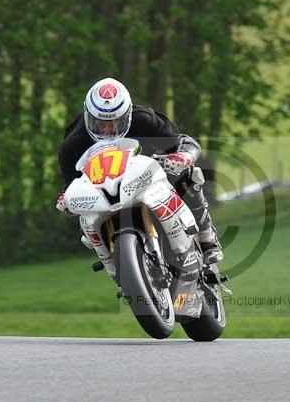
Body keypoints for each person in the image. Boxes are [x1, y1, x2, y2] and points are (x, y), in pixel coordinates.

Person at [56, 77, 223, 265]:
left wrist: (181, 156)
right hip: (104, 192)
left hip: (149, 175)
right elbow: (70, 182)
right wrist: (66, 197)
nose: (108, 130)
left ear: (127, 115)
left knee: (188, 174)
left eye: (115, 123)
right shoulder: (72, 143)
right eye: (100, 123)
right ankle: (112, 263)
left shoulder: (144, 119)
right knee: (84, 223)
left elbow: (183, 142)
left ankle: (206, 236)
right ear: (88, 117)